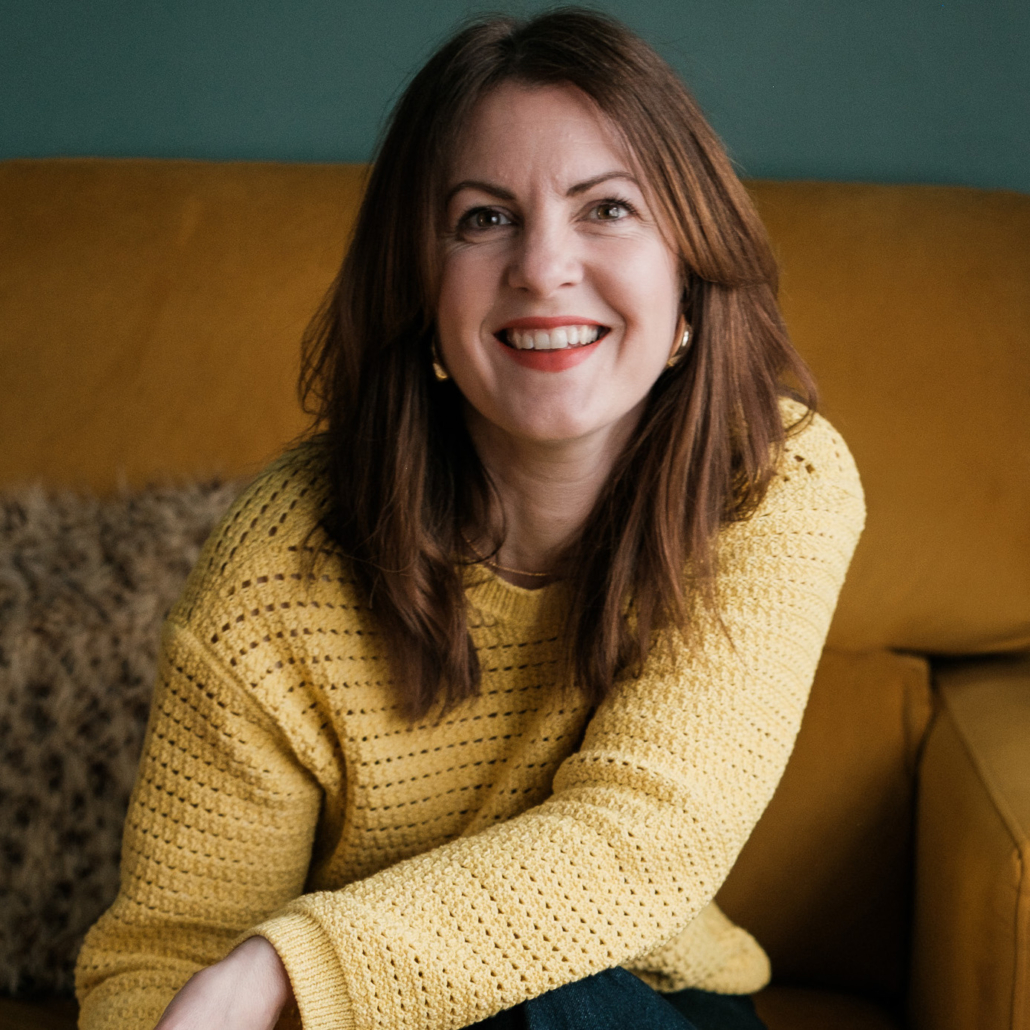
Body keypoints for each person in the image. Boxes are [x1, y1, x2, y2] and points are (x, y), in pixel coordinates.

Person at [75, 9, 865, 1030]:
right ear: (422, 290)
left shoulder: (774, 477)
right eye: (483, 218)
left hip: (633, 1004)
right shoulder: (280, 562)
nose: (542, 267)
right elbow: (170, 953)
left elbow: (645, 836)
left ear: (688, 283)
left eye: (608, 209)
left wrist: (282, 968)